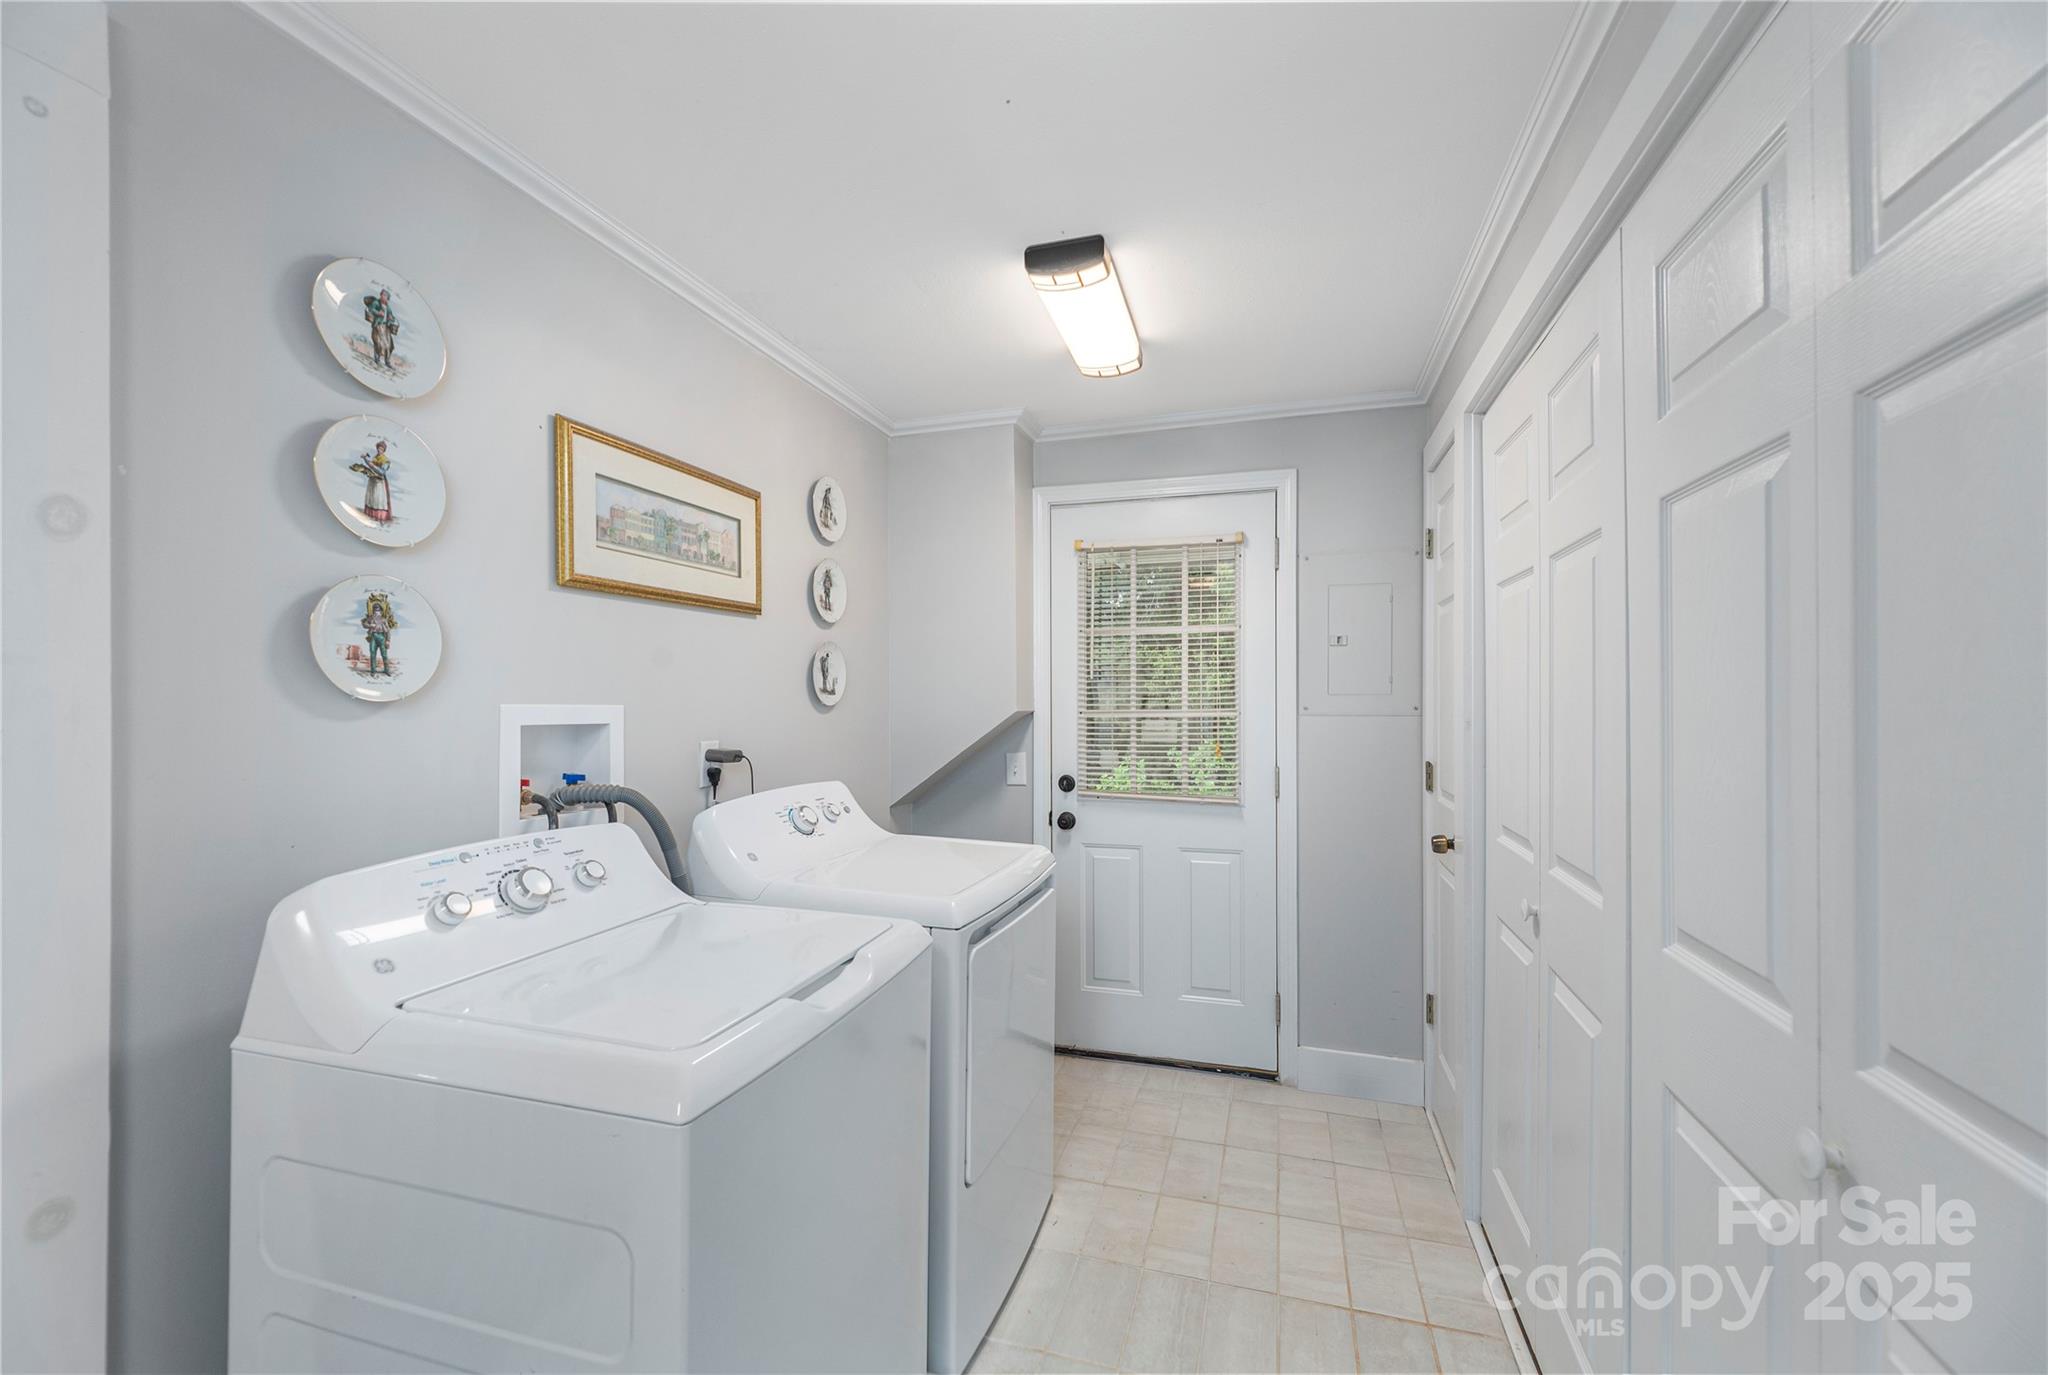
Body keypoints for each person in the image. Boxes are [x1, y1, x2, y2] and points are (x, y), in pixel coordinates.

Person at [351, 440, 394, 525]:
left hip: (379, 480)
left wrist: (372, 465)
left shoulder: (386, 460)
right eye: (378, 448)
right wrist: (365, 459)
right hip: (372, 479)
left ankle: (380, 517)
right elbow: (370, 465)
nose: (379, 450)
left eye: (381, 448)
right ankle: (371, 515)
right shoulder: (375, 457)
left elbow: (382, 472)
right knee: (371, 496)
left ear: (384, 450)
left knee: (378, 497)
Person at [363, 287, 399, 370]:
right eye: (382, 295)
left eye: (385, 295)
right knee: (379, 343)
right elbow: (371, 309)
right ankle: (377, 359)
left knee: (389, 345)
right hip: (378, 325)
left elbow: (391, 316)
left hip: (386, 327)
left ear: (387, 298)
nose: (383, 296)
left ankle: (387, 362)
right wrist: (378, 312)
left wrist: (391, 318)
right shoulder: (376, 302)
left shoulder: (388, 306)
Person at [362, 592, 394, 676]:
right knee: (372, 653)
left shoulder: (384, 620)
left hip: (382, 637)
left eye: (378, 609)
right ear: (373, 610)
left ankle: (386, 670)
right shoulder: (371, 618)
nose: (377, 611)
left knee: (384, 654)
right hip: (373, 636)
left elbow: (388, 631)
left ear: (381, 610)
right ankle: (373, 670)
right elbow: (364, 624)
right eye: (375, 609)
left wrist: (388, 640)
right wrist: (370, 625)